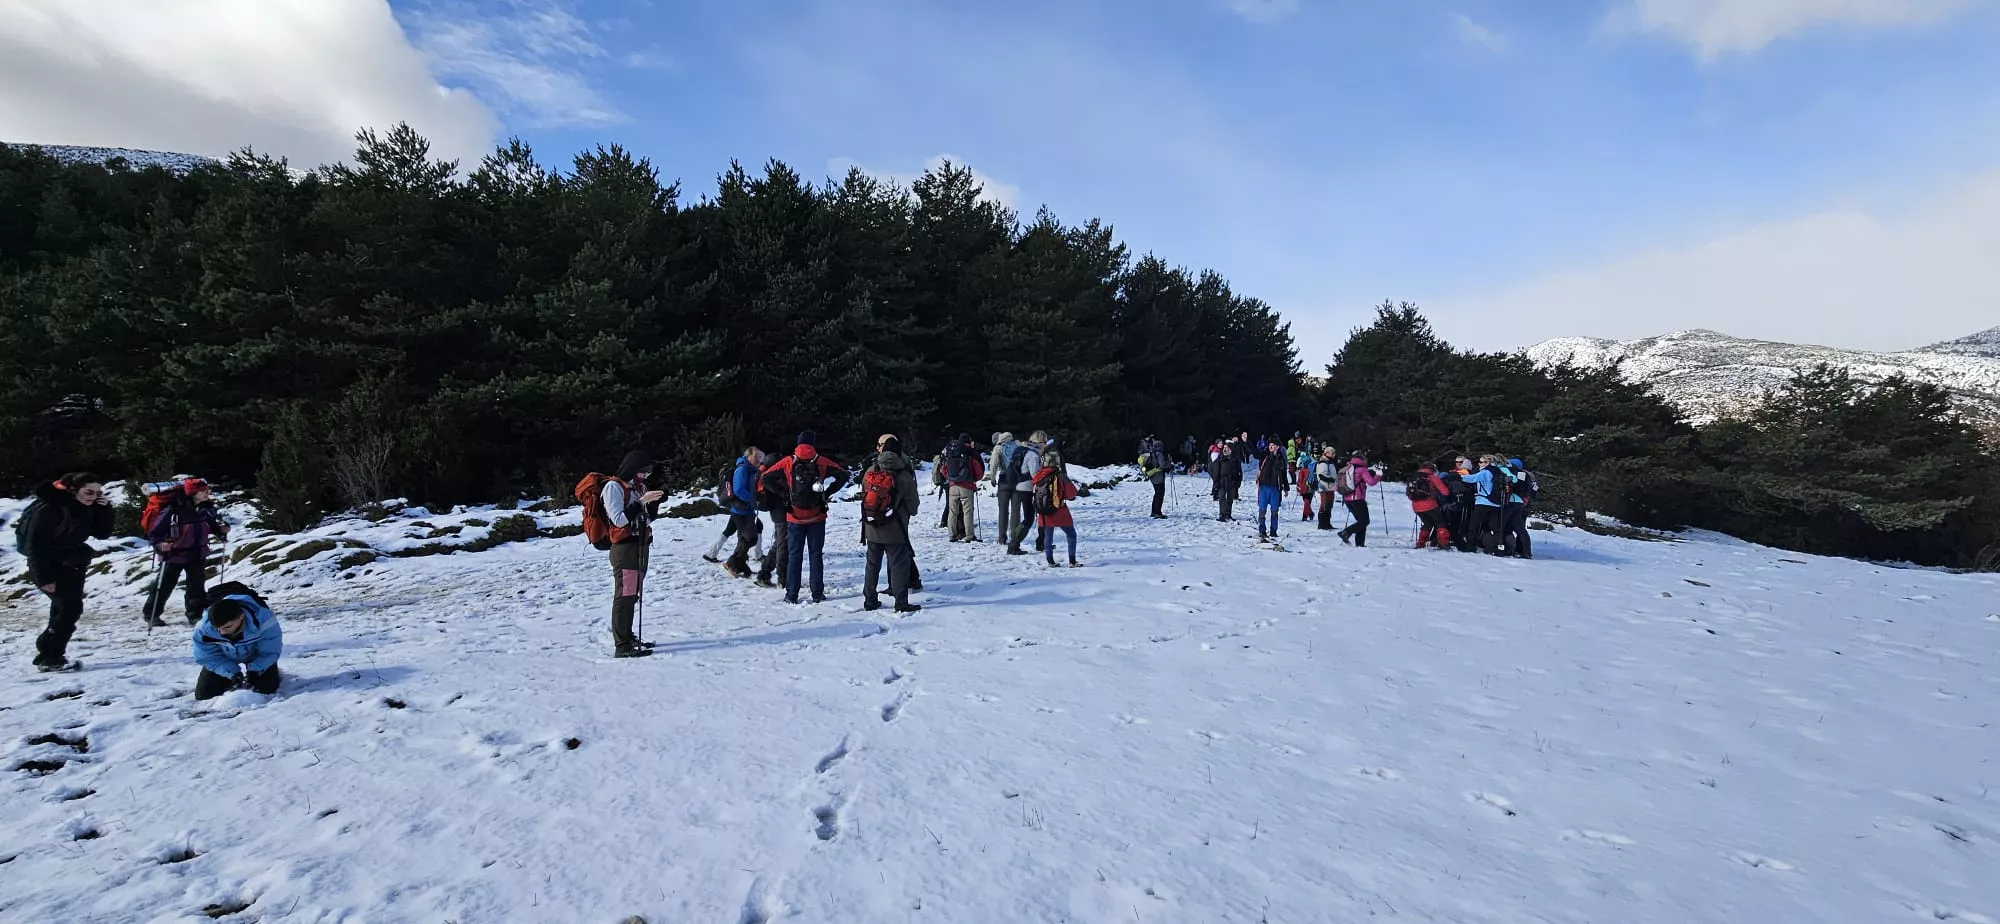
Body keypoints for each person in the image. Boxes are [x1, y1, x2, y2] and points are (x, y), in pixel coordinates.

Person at [18, 473, 114, 672]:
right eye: (89, 492)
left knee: (64, 610)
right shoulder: (50, 509)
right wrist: (43, 577)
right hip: (50, 566)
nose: (93, 496)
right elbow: (35, 546)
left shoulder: (85, 507)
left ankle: (52, 654)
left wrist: (105, 510)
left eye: (97, 493)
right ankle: (49, 655)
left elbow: (102, 533)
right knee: (70, 609)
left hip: (73, 564)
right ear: (73, 489)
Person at [761, 430, 849, 604]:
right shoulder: (821, 461)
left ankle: (791, 594)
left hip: (794, 516)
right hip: (817, 516)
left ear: (798, 443)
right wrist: (828, 493)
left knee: (795, 556)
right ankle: (817, 593)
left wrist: (784, 494)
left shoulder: (788, 461)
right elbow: (843, 475)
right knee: (816, 555)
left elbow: (765, 478)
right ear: (812, 444)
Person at [142, 478, 230, 627]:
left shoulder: (206, 508)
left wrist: (220, 531)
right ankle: (151, 614)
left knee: (196, 587)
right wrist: (160, 545)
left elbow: (211, 525)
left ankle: (195, 616)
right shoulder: (173, 510)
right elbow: (154, 533)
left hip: (197, 553)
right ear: (192, 493)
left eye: (206, 490)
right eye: (202, 490)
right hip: (174, 554)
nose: (206, 493)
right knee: (164, 585)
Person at [602, 451, 664, 657]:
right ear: (633, 468)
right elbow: (619, 520)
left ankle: (628, 637)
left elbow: (644, 518)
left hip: (640, 545)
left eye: (648, 471)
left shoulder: (638, 488)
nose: (646, 475)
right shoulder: (613, 487)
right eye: (643, 471)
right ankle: (622, 645)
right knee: (625, 595)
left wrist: (653, 504)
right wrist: (641, 502)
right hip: (625, 548)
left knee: (632, 594)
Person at [860, 435, 922, 613]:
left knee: (872, 565)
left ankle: (869, 600)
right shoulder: (904, 476)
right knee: (898, 566)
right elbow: (913, 507)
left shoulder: (871, 470)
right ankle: (901, 602)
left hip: (871, 527)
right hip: (895, 529)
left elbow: (865, 494)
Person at [191, 583, 282, 700]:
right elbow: (208, 656)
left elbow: (269, 652)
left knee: (266, 690)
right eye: (218, 629)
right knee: (204, 695)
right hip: (224, 659)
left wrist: (255, 670)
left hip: (257, 657)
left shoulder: (265, 621)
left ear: (241, 617)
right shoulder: (204, 629)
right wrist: (231, 673)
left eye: (227, 627)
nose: (222, 633)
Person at [721, 446, 765, 578]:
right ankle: (732, 562)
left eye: (760, 457)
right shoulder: (742, 470)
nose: (759, 459)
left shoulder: (751, 470)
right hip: (740, 510)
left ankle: (740, 566)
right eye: (756, 456)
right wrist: (754, 499)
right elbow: (739, 490)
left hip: (746, 510)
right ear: (748, 456)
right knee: (751, 538)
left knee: (743, 539)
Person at [1033, 446, 1081, 567]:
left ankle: (1050, 561)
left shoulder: (1038, 475)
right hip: (1059, 509)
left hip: (1043, 510)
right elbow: (1071, 493)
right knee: (1071, 534)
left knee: (1048, 535)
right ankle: (1072, 561)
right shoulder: (1060, 476)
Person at [1461, 454, 1514, 555]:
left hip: (1483, 502)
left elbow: (1472, 479)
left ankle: (1470, 547)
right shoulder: (1499, 471)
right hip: (1496, 504)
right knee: (1495, 528)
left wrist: (1459, 476)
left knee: (1474, 525)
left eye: (1481, 462)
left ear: (1487, 463)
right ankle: (1497, 548)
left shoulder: (1485, 472)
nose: (1479, 464)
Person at [1007, 431, 1048, 555]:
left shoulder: (1025, 450)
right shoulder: (1033, 455)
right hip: (1027, 488)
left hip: (1020, 486)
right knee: (1029, 518)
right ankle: (1014, 544)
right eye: (1044, 442)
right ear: (1040, 442)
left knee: (1028, 517)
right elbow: (1035, 475)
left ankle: (1014, 543)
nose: (1045, 445)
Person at [1335, 454, 1384, 547]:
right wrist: (1378, 475)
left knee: (1361, 521)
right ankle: (1345, 532)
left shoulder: (1348, 467)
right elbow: (1371, 482)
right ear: (1362, 460)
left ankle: (1360, 544)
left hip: (1346, 498)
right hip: (1357, 498)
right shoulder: (1362, 469)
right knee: (1365, 521)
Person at [943, 433, 984, 542]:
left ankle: (952, 535)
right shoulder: (970, 452)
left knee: (953, 511)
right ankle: (969, 535)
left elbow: (943, 469)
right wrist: (974, 479)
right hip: (966, 486)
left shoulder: (952, 451)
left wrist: (950, 478)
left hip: (952, 486)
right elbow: (979, 471)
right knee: (968, 511)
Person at [989, 432, 1023, 551]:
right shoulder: (1018, 445)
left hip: (1004, 480)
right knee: (1016, 510)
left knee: (1003, 510)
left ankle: (1002, 538)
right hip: (1017, 480)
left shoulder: (998, 448)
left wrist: (992, 477)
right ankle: (1014, 537)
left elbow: (993, 464)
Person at [1408, 463, 1455, 550]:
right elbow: (1445, 492)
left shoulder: (1414, 477)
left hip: (1416, 507)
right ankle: (1443, 542)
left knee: (1427, 523)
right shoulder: (1432, 477)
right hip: (1430, 505)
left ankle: (1420, 543)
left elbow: (1410, 493)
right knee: (1440, 523)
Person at [1503, 457, 1537, 559]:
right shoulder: (1529, 476)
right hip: (1524, 504)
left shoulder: (1513, 473)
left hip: (1514, 501)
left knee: (1508, 527)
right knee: (1521, 528)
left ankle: (1510, 549)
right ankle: (1524, 550)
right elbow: (1535, 490)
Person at [1254, 443, 1289, 541]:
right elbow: (1254, 452)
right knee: (1262, 510)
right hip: (1264, 487)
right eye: (1270, 445)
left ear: (1278, 447)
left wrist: (1286, 488)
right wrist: (1246, 441)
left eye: (1273, 445)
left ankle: (1273, 531)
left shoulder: (1281, 459)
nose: (1270, 447)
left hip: (1275, 488)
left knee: (1274, 511)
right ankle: (1262, 530)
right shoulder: (1264, 456)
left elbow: (1284, 475)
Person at [1209, 442, 1242, 522]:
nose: (1225, 449)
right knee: (1222, 498)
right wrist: (1215, 481)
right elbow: (1212, 469)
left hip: (1232, 481)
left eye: (1227, 448)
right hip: (1222, 481)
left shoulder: (1235, 460)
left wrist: (1238, 483)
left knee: (1230, 499)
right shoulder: (1220, 458)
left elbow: (1239, 472)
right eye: (1224, 448)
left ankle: (1228, 514)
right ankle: (1222, 514)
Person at [1138, 435, 1168, 519]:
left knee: (1157, 493)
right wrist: (1169, 464)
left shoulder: (1151, 453)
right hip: (1158, 475)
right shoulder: (1159, 454)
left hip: (1152, 474)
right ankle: (1157, 512)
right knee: (1160, 494)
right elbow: (1162, 465)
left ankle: (1155, 511)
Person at [1312, 447, 1341, 531]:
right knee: (1324, 505)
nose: (1334, 455)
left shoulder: (1330, 462)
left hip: (1330, 487)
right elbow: (1322, 475)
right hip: (1324, 487)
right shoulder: (1323, 462)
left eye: (1334, 453)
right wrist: (1332, 479)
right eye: (1332, 453)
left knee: (1329, 505)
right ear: (1326, 453)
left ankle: (1327, 523)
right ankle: (1322, 524)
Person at [1294, 451, 1315, 523]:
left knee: (1306, 502)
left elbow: (1299, 480)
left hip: (1304, 489)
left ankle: (1305, 516)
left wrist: (1298, 488)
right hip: (1311, 488)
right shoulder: (1312, 470)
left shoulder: (1302, 471)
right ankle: (1310, 513)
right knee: (1308, 502)